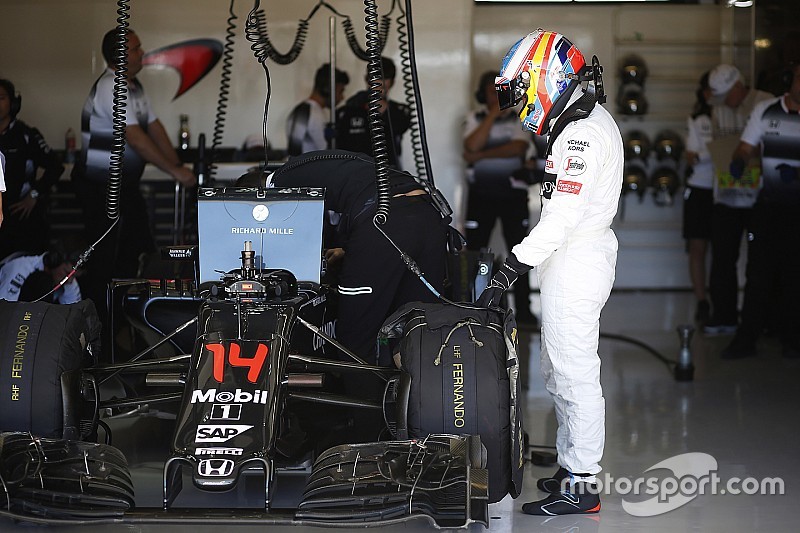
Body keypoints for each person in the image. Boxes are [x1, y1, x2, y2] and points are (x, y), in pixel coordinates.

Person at [478, 29, 623, 515]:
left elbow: (561, 219)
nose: (520, 107)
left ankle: (582, 483)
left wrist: (510, 267)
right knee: (558, 370)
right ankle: (570, 465)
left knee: (575, 372)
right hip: (573, 259)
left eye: (521, 94)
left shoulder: (580, 133)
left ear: (546, 80)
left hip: (577, 261)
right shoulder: (580, 120)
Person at [73, 28, 196, 343]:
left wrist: (180, 167)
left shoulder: (134, 87)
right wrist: (173, 171)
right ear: (120, 54)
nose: (143, 53)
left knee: (139, 249)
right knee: (104, 259)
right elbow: (135, 137)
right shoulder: (108, 88)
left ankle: (128, 325)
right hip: (100, 186)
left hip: (125, 186)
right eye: (137, 48)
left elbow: (153, 127)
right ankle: (102, 334)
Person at [721, 63, 800, 360]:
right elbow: (746, 147)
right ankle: (746, 339)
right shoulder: (766, 111)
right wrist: (739, 160)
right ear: (790, 79)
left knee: (795, 277)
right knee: (757, 275)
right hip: (768, 207)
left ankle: (792, 340)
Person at [462, 70, 537, 327]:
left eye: (498, 91)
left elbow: (517, 150)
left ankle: (525, 312)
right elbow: (470, 145)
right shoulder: (475, 117)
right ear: (482, 94)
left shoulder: (521, 118)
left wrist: (480, 156)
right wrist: (493, 114)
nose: (494, 96)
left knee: (521, 253)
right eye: (489, 91)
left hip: (512, 196)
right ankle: (472, 306)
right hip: (480, 196)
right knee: (474, 252)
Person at [703, 64, 773, 335]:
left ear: (738, 87)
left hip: (760, 197)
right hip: (726, 196)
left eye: (725, 96)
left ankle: (760, 321)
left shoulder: (765, 102)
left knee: (760, 264)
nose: (722, 103)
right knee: (722, 260)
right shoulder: (719, 107)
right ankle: (724, 316)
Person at [0, 79, 65, 260]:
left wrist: (34, 195)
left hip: (20, 218)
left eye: (1, 98)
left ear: (13, 103)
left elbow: (55, 166)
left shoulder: (26, 135)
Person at [336, 57, 412, 169]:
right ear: (366, 79)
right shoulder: (348, 111)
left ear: (392, 82)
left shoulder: (400, 111)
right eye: (376, 77)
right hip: (354, 176)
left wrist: (376, 101)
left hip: (389, 176)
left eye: (384, 77)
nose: (379, 81)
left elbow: (400, 126)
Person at [682, 71, 714, 324]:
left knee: (725, 251)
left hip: (730, 191)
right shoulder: (696, 118)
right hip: (700, 188)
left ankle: (725, 301)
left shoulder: (740, 117)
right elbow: (691, 156)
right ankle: (702, 301)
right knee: (697, 248)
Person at [286, 63, 349, 156]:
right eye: (340, 91)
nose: (342, 97)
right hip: (310, 168)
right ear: (327, 89)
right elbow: (326, 153)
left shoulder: (298, 110)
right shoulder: (315, 115)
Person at [0, 248, 81, 304]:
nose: (70, 280)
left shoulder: (69, 279)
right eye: (66, 272)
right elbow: (5, 311)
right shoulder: (20, 269)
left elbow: (73, 317)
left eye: (73, 276)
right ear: (54, 261)